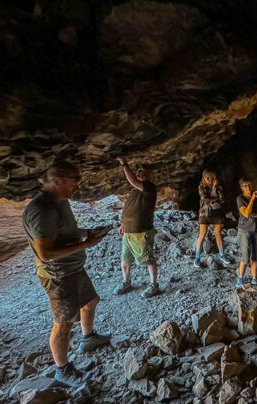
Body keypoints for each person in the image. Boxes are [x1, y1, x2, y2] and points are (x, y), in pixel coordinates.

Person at [22, 160, 111, 387]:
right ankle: (62, 370)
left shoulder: (60, 201)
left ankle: (88, 338)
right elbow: (46, 253)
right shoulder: (41, 211)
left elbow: (65, 232)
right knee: (63, 323)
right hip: (58, 274)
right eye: (75, 182)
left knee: (91, 301)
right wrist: (86, 244)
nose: (78, 187)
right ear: (57, 181)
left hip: (72, 268)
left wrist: (86, 233)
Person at [113, 157, 160, 298]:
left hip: (141, 232)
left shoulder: (150, 188)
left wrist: (124, 164)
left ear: (150, 176)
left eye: (143, 172)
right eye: (138, 171)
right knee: (125, 259)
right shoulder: (135, 191)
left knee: (147, 259)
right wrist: (123, 224)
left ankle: (154, 285)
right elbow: (130, 208)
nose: (139, 173)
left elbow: (132, 180)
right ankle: (126, 282)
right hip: (128, 231)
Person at [194, 170, 231, 267]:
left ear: (214, 178)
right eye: (207, 178)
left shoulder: (218, 187)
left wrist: (213, 200)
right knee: (202, 234)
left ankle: (222, 255)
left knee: (218, 234)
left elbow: (222, 200)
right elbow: (205, 199)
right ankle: (197, 257)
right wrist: (215, 200)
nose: (209, 179)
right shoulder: (201, 187)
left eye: (211, 177)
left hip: (216, 213)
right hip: (204, 213)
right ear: (204, 178)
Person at [236, 177, 257, 288]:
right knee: (245, 256)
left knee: (255, 255)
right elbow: (246, 213)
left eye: (249, 185)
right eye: (245, 186)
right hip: (244, 230)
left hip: (256, 229)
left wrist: (255, 214)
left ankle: (254, 279)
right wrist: (252, 199)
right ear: (242, 188)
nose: (248, 187)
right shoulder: (240, 198)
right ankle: (240, 279)